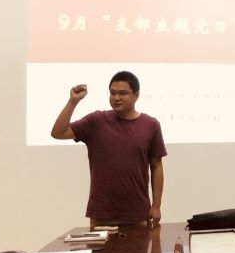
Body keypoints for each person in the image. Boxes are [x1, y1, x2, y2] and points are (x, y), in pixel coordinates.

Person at [51, 71, 167, 228]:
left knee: (140, 246)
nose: (116, 98)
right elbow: (58, 133)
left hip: (138, 213)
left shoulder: (151, 125)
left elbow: (156, 166)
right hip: (102, 214)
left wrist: (156, 206)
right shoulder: (96, 121)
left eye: (123, 93)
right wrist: (73, 101)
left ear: (136, 95)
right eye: (112, 93)